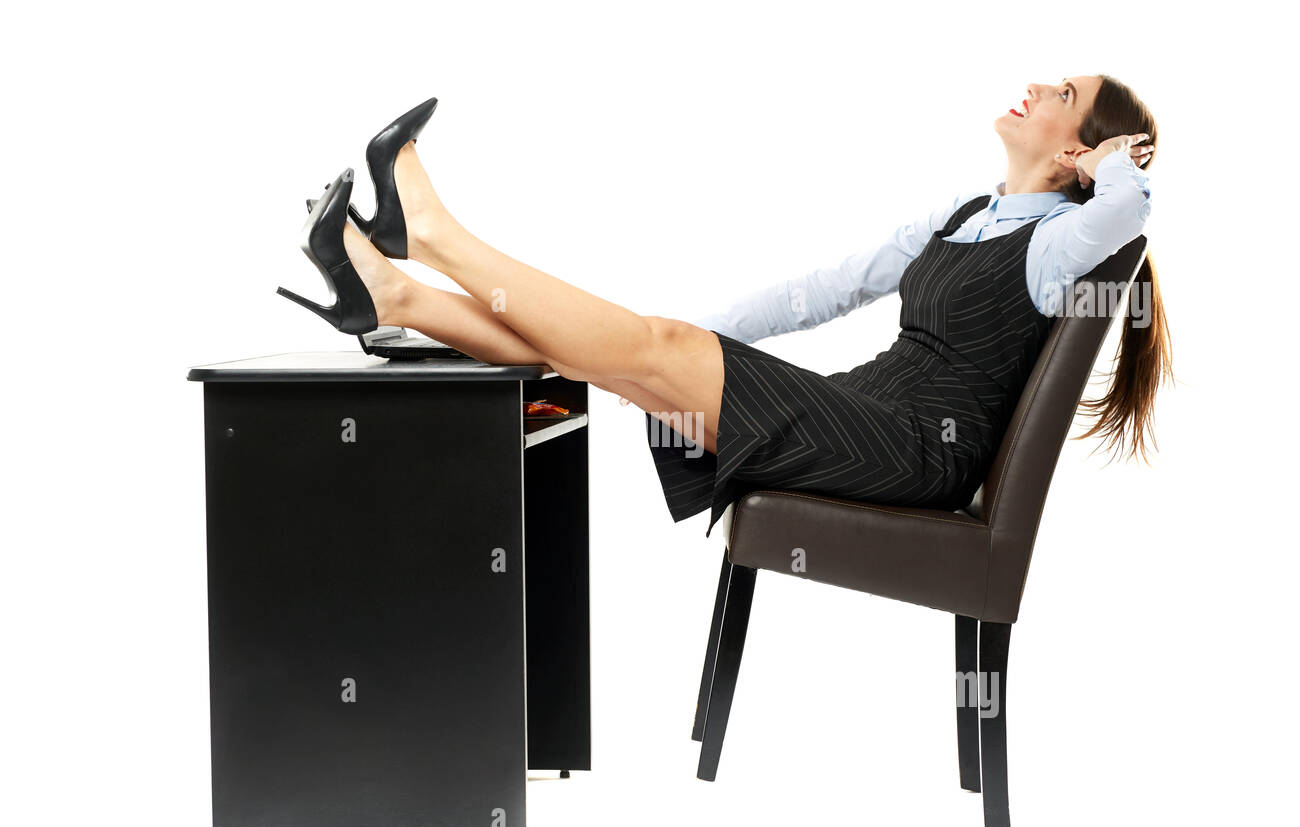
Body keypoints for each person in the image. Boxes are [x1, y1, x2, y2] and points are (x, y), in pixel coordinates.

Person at [277, 75, 1169, 537]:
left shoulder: (1061, 243)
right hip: (865, 407)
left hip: (910, 452)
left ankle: (425, 234)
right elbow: (827, 289)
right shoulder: (966, 213)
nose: (1040, 83)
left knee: (640, 350)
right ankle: (398, 292)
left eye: (1065, 96)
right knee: (620, 358)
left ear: (1078, 152)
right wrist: (691, 336)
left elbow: (1131, 211)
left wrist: (1116, 163)